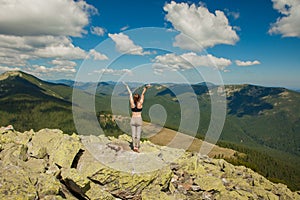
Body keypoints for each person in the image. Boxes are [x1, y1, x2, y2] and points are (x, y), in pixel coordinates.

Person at [123, 82, 150, 152]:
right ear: (139, 98)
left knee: (133, 134)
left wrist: (126, 86)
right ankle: (137, 147)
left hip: (133, 119)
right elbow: (143, 94)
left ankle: (134, 146)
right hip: (139, 119)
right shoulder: (140, 103)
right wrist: (145, 88)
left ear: (134, 98)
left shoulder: (132, 103)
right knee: (138, 135)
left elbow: (130, 94)